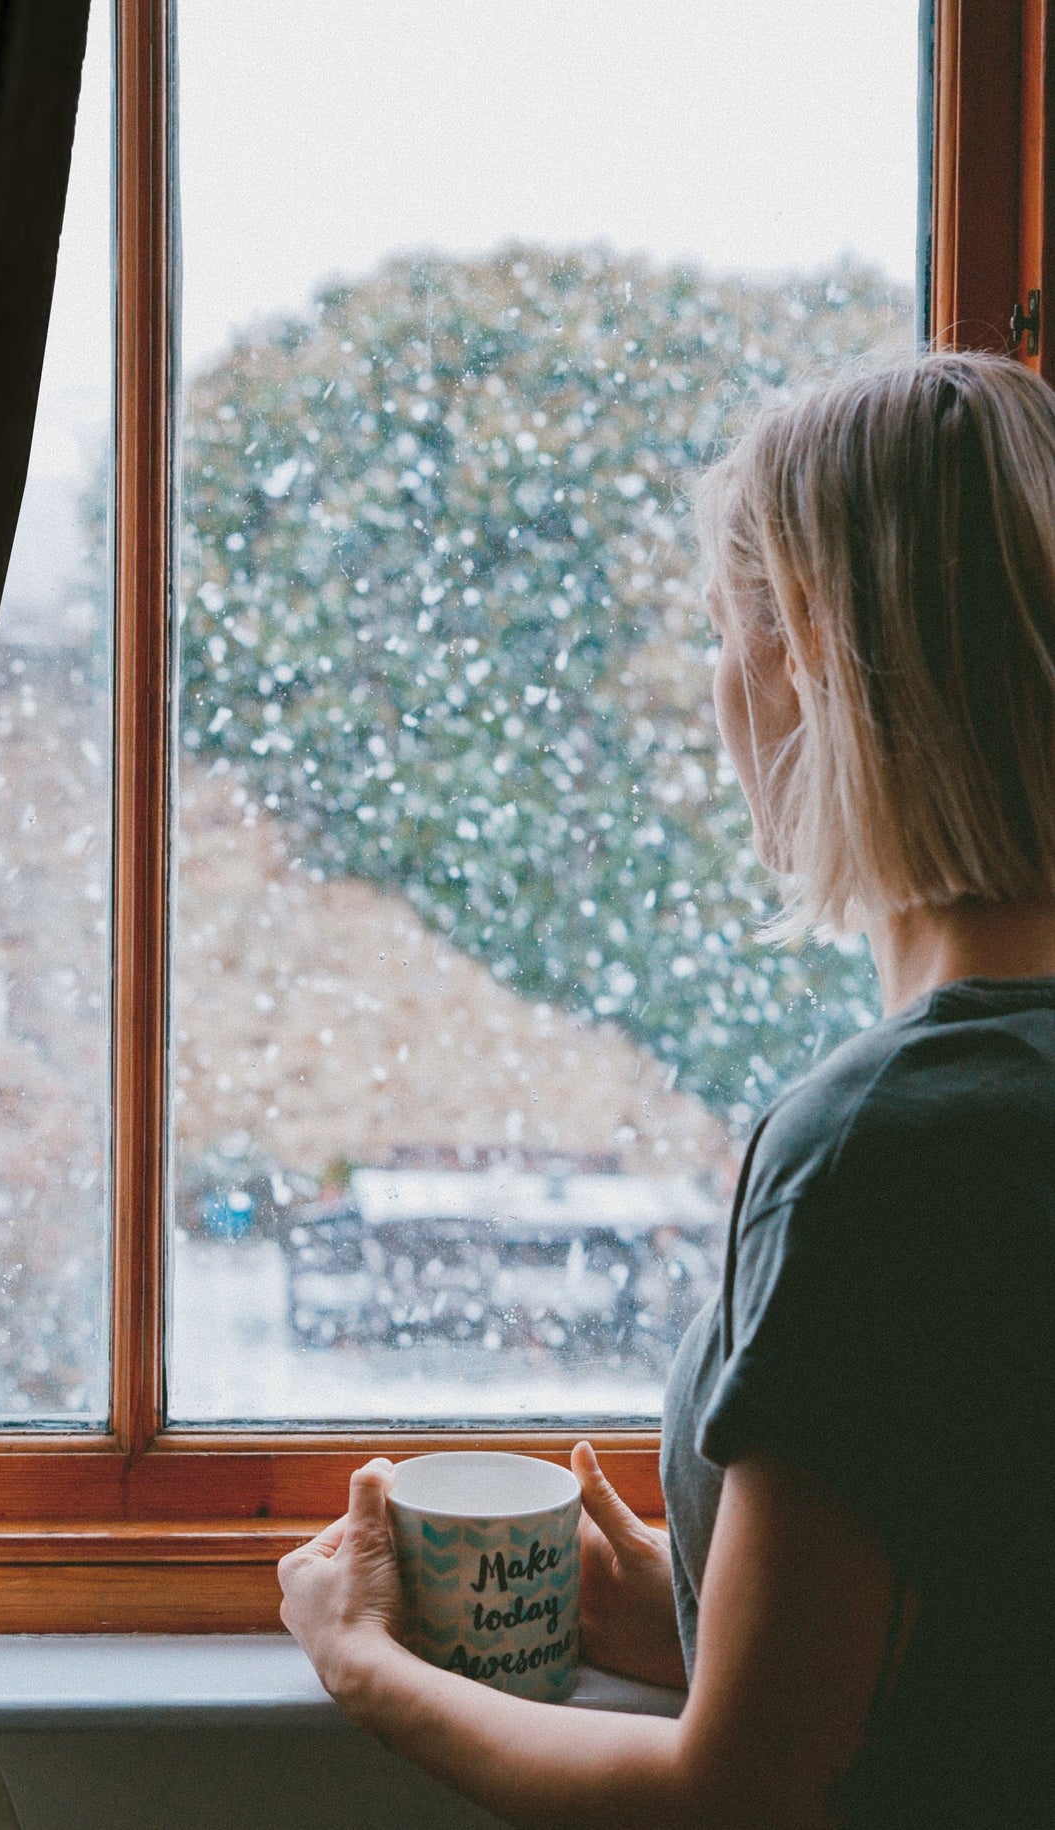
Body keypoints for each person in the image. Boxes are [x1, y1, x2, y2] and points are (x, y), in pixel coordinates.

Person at [278, 350, 1055, 1829]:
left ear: (809, 656)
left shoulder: (876, 1148)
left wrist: (361, 1659)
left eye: (721, 631)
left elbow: (738, 1792)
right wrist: (692, 1598)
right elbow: (982, 1641)